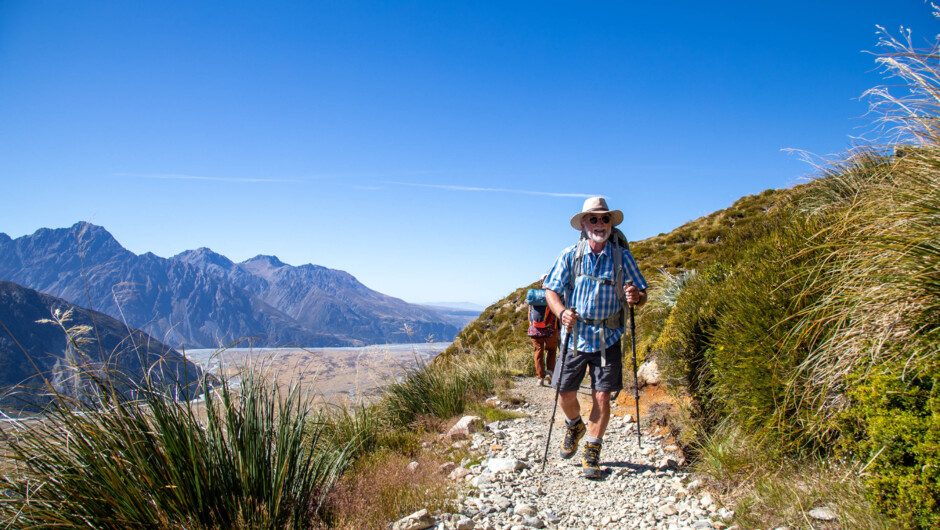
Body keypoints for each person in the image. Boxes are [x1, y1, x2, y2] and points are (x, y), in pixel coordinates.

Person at [543, 196, 648, 479]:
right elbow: (550, 291)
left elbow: (642, 294)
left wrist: (636, 296)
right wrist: (561, 311)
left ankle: (592, 450)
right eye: (594, 219)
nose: (599, 224)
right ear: (584, 224)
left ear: (611, 224)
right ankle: (574, 424)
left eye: (604, 219)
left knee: (601, 395)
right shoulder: (570, 255)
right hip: (573, 336)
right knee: (565, 393)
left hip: (608, 336)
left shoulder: (623, 258)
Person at [528, 274, 558, 387]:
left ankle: (539, 378)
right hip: (551, 328)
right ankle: (549, 372)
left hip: (535, 329)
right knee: (551, 350)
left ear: (541, 282)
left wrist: (531, 326)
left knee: (538, 352)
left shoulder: (533, 295)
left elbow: (529, 313)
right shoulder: (554, 295)